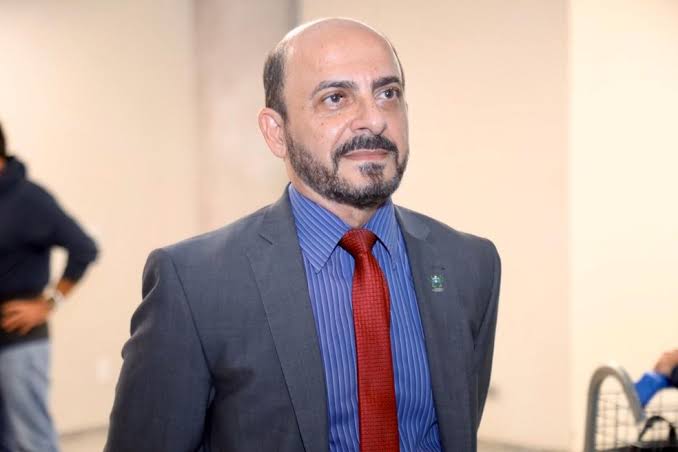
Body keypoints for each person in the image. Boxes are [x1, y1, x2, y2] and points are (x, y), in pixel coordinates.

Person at [106, 18, 501, 452]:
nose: (373, 120)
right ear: (277, 133)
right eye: (336, 98)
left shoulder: (469, 265)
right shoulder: (195, 285)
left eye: (388, 94)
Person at [0, 122, 98, 452]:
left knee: (30, 439)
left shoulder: (30, 199)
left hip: (19, 341)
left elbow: (84, 248)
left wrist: (49, 302)